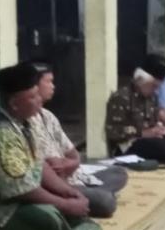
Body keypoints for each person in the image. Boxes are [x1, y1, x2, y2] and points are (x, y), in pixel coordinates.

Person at [0, 62, 102, 230]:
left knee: (77, 203)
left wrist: (67, 191)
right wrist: (66, 205)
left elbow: (40, 164)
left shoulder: (24, 123)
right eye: (33, 96)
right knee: (49, 221)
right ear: (14, 103)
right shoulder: (2, 136)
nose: (39, 100)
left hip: (21, 195)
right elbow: (23, 190)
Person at [27, 63, 128, 219]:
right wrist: (62, 171)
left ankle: (93, 194)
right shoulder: (24, 122)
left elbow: (73, 153)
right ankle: (95, 196)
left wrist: (72, 163)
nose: (53, 86)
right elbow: (45, 168)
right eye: (49, 82)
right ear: (34, 86)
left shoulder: (48, 116)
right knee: (106, 202)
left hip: (76, 175)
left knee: (119, 173)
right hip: (58, 185)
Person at [105, 55, 165, 165]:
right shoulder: (122, 97)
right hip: (131, 144)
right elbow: (112, 132)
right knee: (157, 145)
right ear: (141, 81)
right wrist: (143, 133)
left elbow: (154, 121)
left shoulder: (151, 98)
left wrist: (161, 129)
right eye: (154, 86)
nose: (155, 90)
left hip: (153, 139)